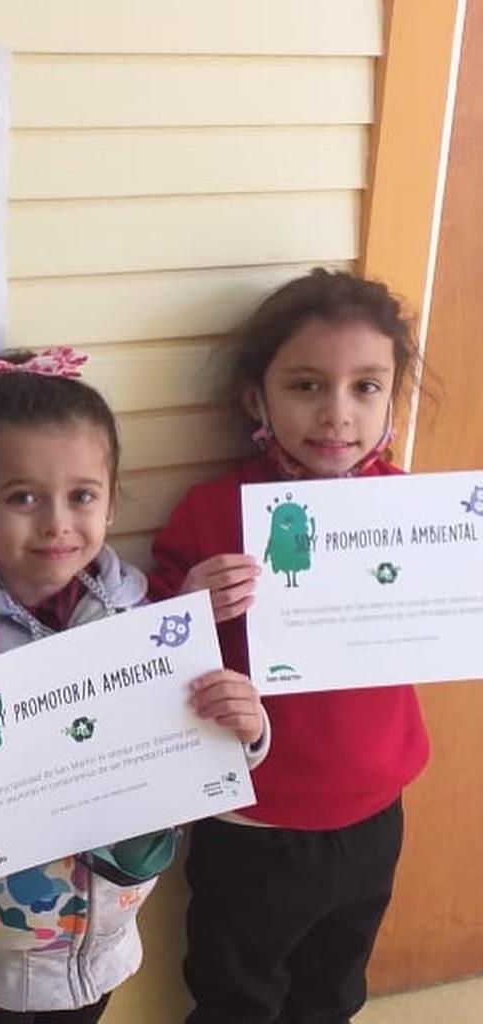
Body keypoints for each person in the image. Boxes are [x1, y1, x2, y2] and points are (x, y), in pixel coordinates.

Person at [0, 347, 268, 1023]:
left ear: (111, 501)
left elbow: (192, 753)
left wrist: (246, 732)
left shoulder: (141, 619)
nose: (56, 523)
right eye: (23, 497)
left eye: (82, 496)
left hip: (107, 937)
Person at [147, 269, 431, 1024]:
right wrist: (190, 604)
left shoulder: (411, 510)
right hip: (254, 822)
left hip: (375, 811)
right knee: (237, 998)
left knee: (333, 993)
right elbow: (143, 652)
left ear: (392, 398)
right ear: (256, 399)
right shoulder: (212, 513)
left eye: (366, 387)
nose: (337, 413)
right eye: (306, 385)